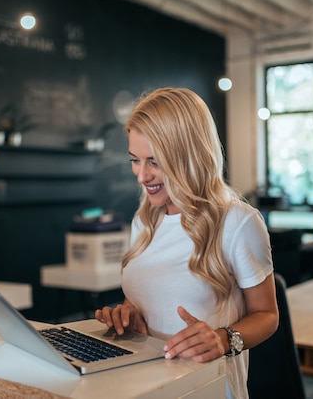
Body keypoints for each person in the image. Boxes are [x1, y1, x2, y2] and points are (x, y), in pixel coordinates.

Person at [95, 87, 278, 399]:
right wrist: (129, 314)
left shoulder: (238, 222)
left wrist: (223, 339)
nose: (141, 176)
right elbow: (151, 302)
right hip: (145, 385)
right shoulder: (144, 221)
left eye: (154, 161)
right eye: (135, 160)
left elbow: (268, 316)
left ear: (188, 156)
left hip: (209, 389)